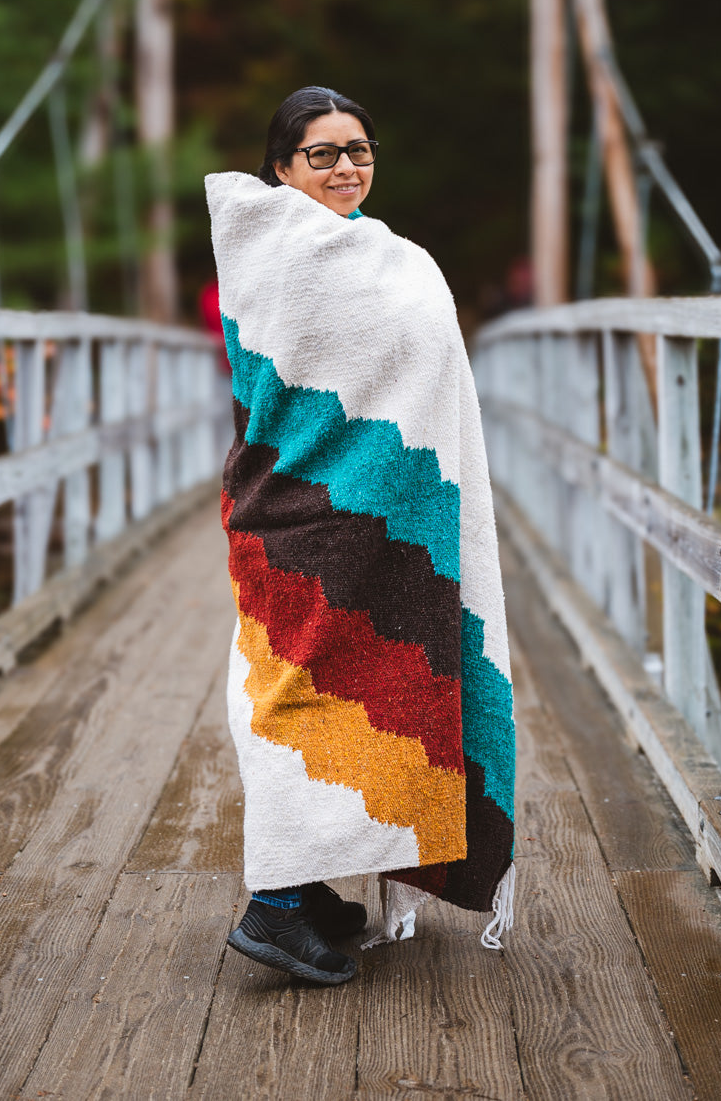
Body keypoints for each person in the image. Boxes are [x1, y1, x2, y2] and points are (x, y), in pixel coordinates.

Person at [205, 85, 515, 987]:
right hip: (305, 512)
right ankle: (271, 906)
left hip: (390, 518)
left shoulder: (387, 254)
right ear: (281, 167)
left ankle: (300, 888)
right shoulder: (280, 255)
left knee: (371, 688)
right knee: (297, 692)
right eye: (323, 154)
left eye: (359, 150)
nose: (346, 167)